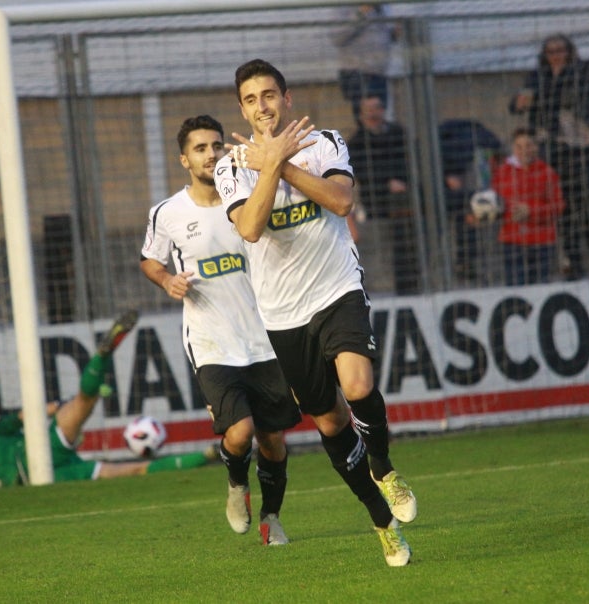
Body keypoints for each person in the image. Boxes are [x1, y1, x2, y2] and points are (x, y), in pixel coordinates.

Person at [214, 58, 416, 566]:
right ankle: (382, 523)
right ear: (241, 107)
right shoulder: (231, 165)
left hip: (337, 288)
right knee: (329, 422)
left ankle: (385, 468)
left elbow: (342, 201)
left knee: (358, 387)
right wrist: (266, 166)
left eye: (269, 95)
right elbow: (252, 227)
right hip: (283, 315)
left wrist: (282, 162)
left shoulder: (324, 141)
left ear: (287, 98)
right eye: (251, 99)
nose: (262, 106)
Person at [140, 115, 303, 546]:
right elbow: (150, 260)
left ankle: (272, 517)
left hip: (265, 335)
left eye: (216, 145)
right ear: (183, 159)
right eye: (200, 148)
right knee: (241, 432)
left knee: (272, 440)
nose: (210, 154)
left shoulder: (250, 195)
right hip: (211, 341)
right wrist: (166, 280)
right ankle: (236, 485)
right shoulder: (168, 213)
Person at [0, 310, 211, 487]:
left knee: (136, 469)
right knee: (85, 398)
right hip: (44, 449)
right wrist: (60, 406)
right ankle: (101, 357)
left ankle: (210, 454)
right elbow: (27, 414)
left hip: (44, 476)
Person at [510, 29, 589, 280]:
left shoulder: (582, 70)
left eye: (561, 51)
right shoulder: (537, 78)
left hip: (583, 147)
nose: (556, 56)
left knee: (587, 207)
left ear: (569, 52)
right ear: (544, 55)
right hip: (556, 149)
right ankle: (574, 266)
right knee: (564, 209)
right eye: (551, 52)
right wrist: (518, 103)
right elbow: (516, 105)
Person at [347, 94, 419, 295]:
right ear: (361, 115)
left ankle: (412, 287)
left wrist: (401, 182)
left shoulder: (398, 134)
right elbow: (362, 174)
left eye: (376, 108)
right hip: (377, 204)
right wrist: (387, 183)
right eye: (368, 110)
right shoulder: (357, 143)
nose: (373, 114)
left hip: (405, 201)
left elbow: (411, 163)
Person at [490, 128, 566, 285]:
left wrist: (530, 211)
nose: (524, 151)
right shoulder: (502, 173)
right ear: (513, 148)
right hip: (512, 242)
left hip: (541, 242)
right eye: (519, 146)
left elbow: (558, 206)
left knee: (540, 288)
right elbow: (493, 202)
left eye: (529, 145)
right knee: (516, 289)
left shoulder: (547, 173)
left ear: (536, 147)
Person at [438, 118, 505, 283]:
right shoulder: (478, 142)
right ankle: (464, 263)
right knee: (465, 213)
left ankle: (466, 263)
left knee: (470, 212)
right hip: (458, 198)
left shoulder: (482, 150)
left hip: (474, 197)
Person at [331, 3, 398, 120]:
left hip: (379, 72)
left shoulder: (383, 6)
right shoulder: (345, 6)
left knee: (381, 119)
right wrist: (361, 13)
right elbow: (337, 37)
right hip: (358, 73)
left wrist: (394, 33)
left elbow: (384, 33)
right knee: (368, 120)